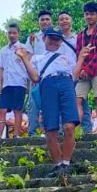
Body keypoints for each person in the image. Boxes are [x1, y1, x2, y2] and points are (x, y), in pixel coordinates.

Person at [16, 27, 83, 177]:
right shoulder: (37, 58)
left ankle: (66, 163)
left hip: (66, 83)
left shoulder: (67, 56)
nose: (53, 41)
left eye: (57, 39)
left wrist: (83, 57)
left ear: (61, 41)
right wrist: (24, 58)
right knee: (50, 129)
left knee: (69, 125)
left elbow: (75, 74)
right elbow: (34, 77)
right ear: (44, 39)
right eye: (50, 38)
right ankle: (58, 165)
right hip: (47, 85)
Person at [74, 1, 97, 134]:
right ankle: (76, 130)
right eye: (87, 14)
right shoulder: (80, 35)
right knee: (77, 99)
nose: (89, 17)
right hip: (83, 72)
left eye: (92, 14)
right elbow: (79, 54)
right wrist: (81, 69)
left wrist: (87, 69)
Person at [0, 23, 31, 138]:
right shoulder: (3, 50)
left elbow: (29, 65)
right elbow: (0, 68)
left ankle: (16, 134)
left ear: (18, 34)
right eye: (9, 33)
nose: (11, 35)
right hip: (7, 83)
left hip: (19, 82)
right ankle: (0, 134)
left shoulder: (24, 48)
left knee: (17, 109)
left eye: (14, 33)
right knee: (2, 110)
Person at [26, 10, 53, 136]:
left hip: (52, 75)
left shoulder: (55, 35)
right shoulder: (33, 38)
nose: (45, 22)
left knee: (52, 103)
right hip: (36, 76)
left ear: (51, 21)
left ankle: (52, 131)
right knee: (34, 103)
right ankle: (32, 132)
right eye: (42, 20)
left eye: (47, 19)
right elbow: (28, 56)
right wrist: (31, 75)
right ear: (39, 22)